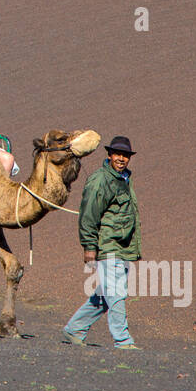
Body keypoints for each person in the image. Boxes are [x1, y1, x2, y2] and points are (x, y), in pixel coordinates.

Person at [62, 136, 142, 350]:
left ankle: (75, 329)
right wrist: (89, 247)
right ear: (109, 155)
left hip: (122, 246)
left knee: (105, 295)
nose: (121, 158)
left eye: (125, 155)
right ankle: (123, 340)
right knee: (116, 293)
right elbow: (88, 215)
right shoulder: (100, 180)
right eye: (118, 154)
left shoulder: (124, 178)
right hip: (107, 245)